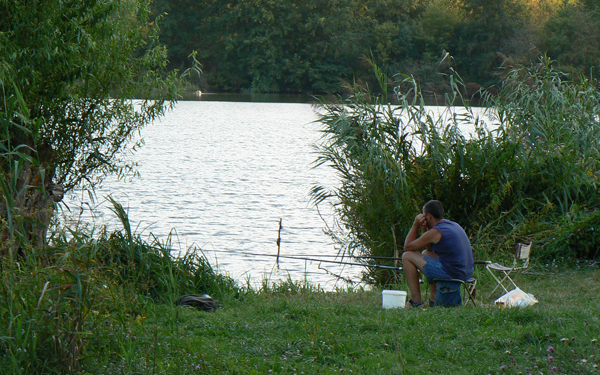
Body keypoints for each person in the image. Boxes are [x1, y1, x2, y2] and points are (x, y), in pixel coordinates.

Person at [402, 200, 473, 307]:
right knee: (425, 253)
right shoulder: (452, 225)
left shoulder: (436, 231)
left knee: (406, 256)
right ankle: (432, 299)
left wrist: (415, 225)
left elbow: (407, 247)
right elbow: (429, 249)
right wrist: (424, 228)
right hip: (464, 272)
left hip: (451, 273)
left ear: (429, 216)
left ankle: (416, 301)